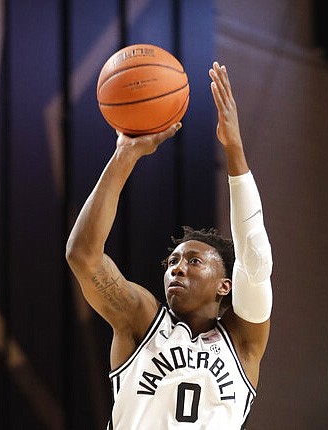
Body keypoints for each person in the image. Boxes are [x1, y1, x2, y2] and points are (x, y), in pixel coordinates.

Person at [66, 61, 273, 429]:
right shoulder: (142, 320)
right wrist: (125, 154)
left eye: (194, 262)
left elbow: (255, 259)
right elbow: (82, 255)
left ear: (225, 284)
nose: (176, 267)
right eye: (173, 261)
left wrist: (234, 148)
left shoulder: (242, 343)